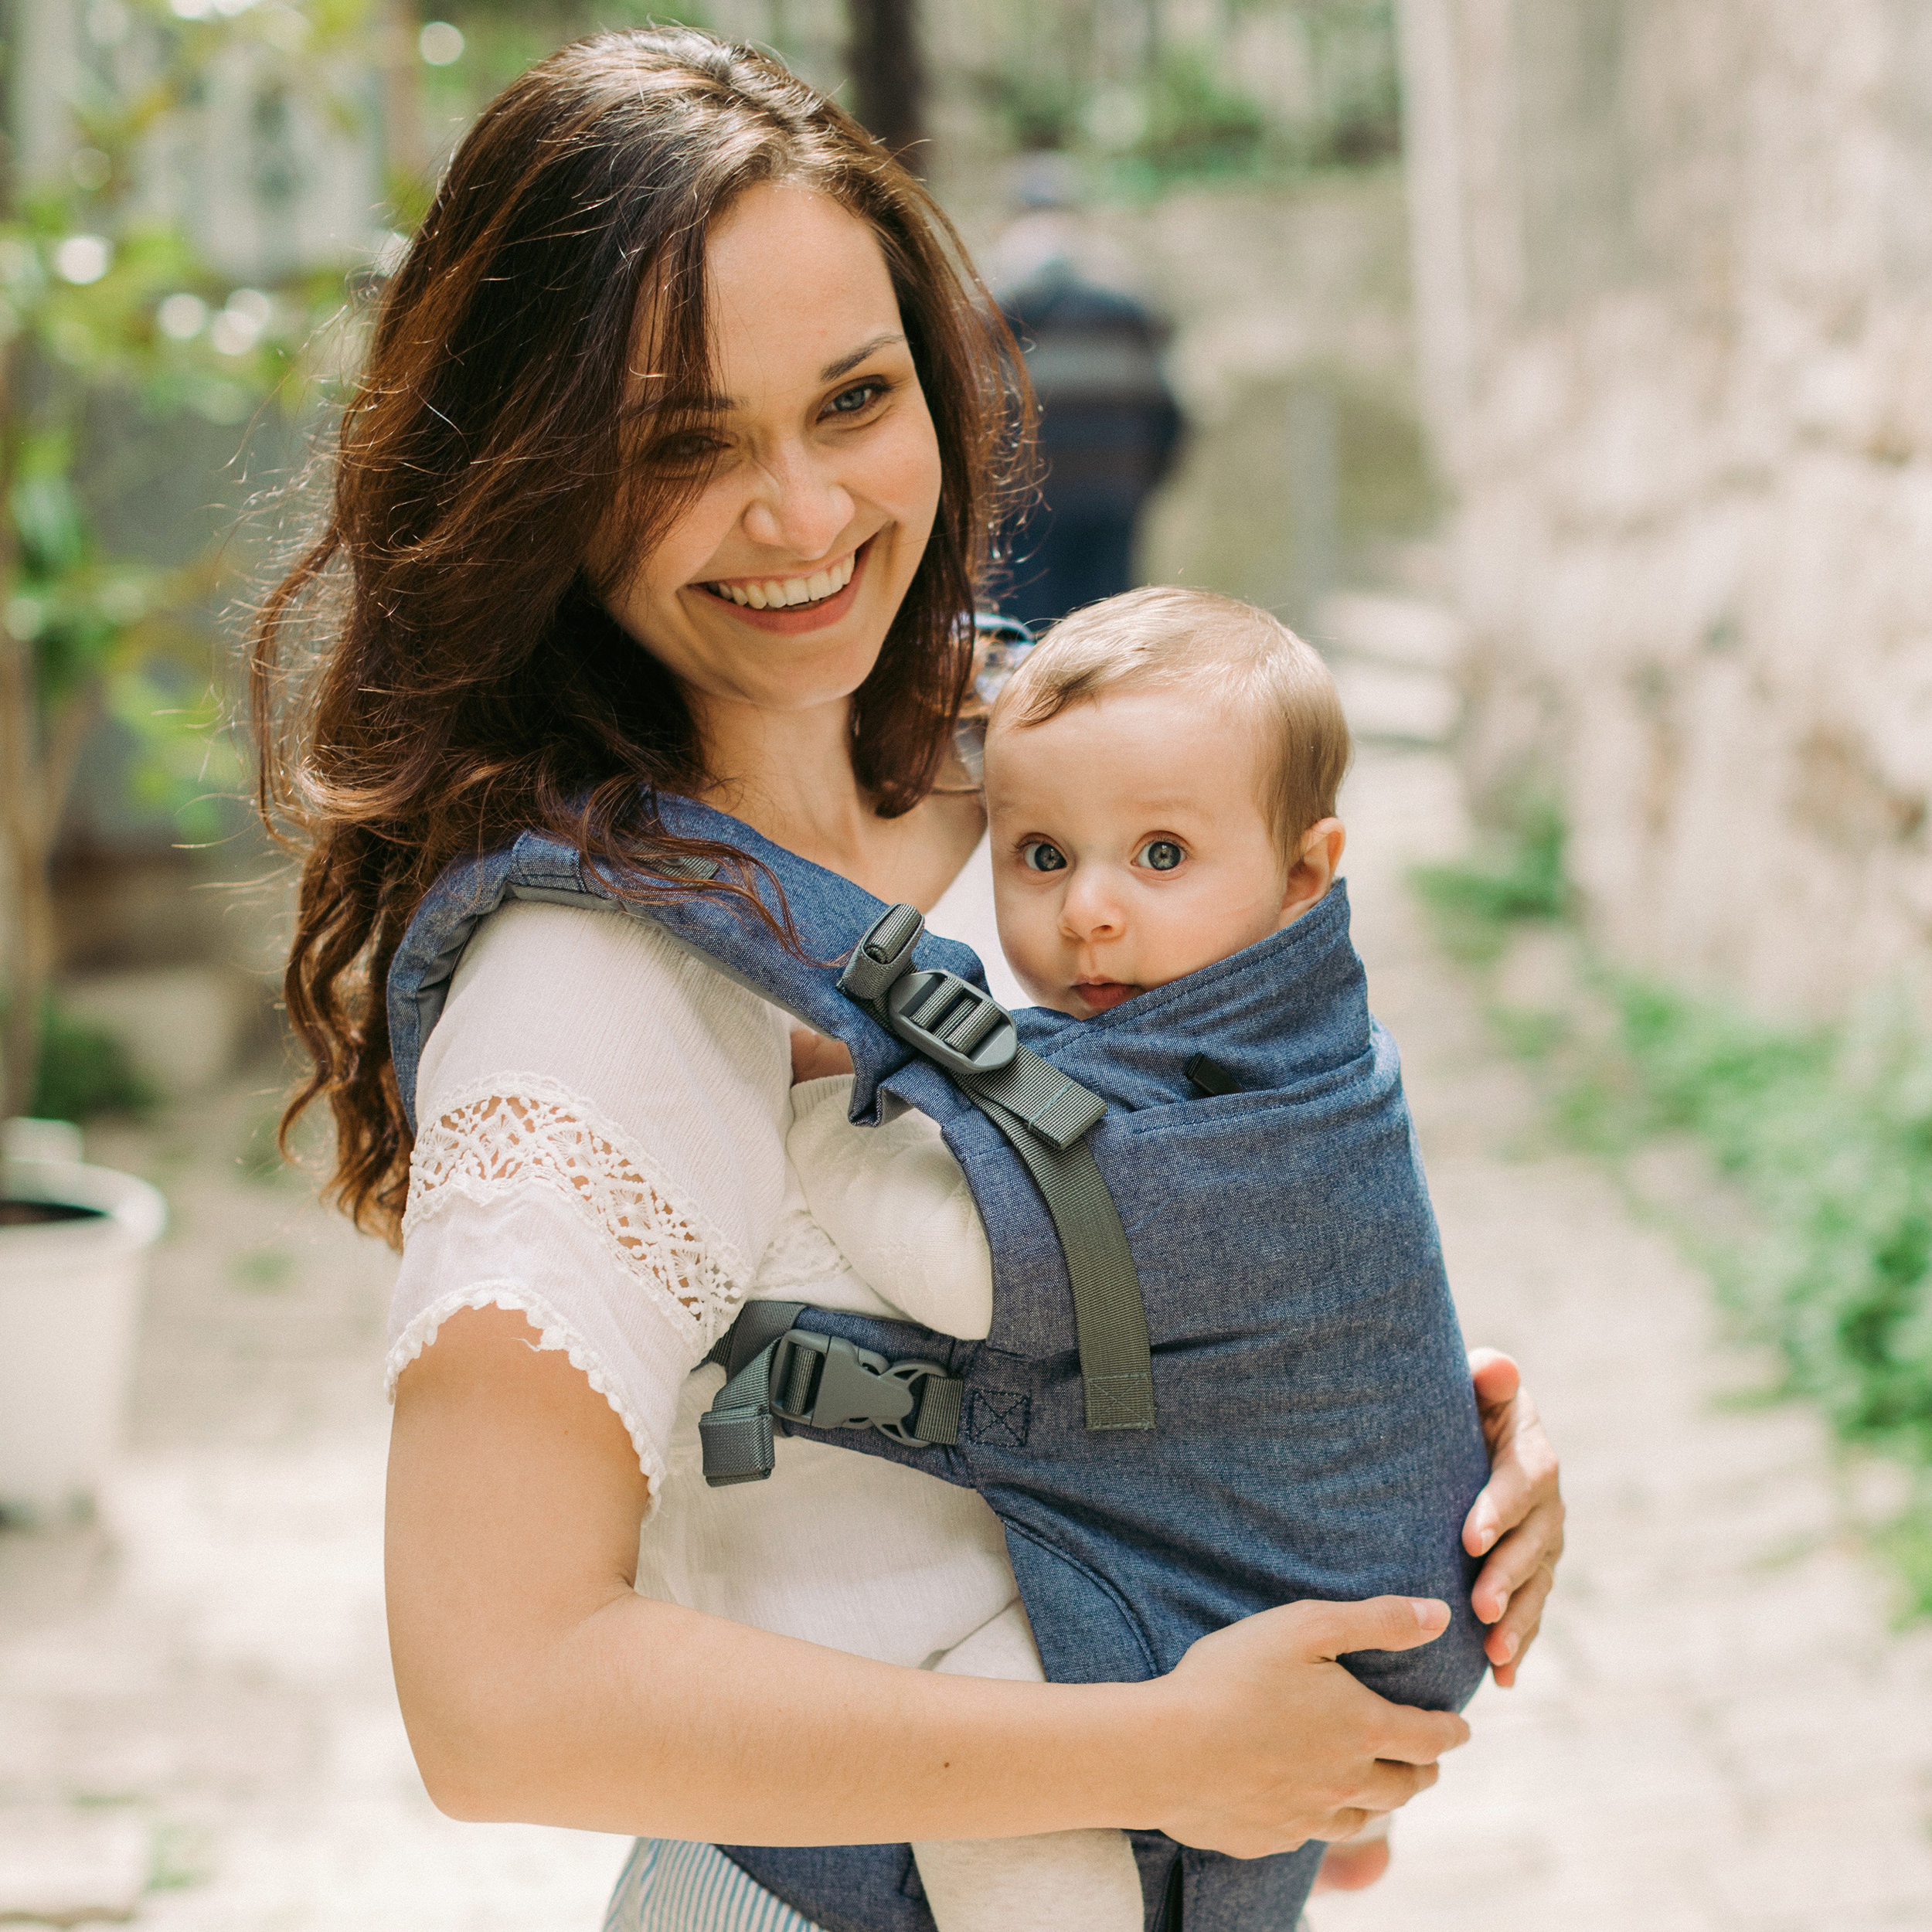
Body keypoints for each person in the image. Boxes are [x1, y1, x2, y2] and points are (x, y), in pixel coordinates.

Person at [250, 28, 1565, 1931]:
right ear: (538, 480)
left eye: (852, 399)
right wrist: (1159, 1748)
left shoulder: (1036, 761)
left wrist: (1413, 1458)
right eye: (681, 445)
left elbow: (1231, 1166)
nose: (799, 517)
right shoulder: (587, 988)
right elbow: (494, 1696)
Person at [770, 585, 1467, 1930]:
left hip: (1309, 1601)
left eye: (1159, 857)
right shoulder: (1267, 1023)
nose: (1089, 911)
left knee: (985, 1738)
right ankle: (1311, 1849)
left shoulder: (1207, 1111)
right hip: (1313, 1546)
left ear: (1307, 871)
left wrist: (816, 1117)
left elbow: (965, 1264)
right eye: (1041, 857)